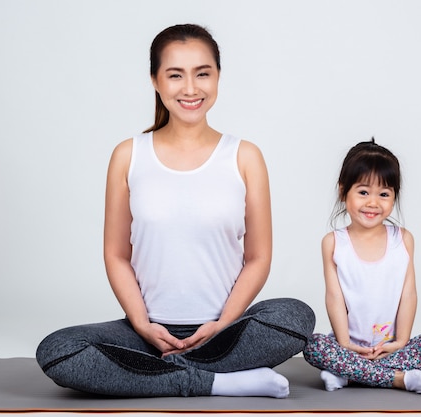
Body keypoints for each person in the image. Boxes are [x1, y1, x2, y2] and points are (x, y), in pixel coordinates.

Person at [36, 23, 315, 398]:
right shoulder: (127, 155)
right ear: (155, 80)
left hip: (225, 334)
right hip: (147, 334)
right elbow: (117, 254)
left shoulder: (245, 156)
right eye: (175, 75)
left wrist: (222, 323)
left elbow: (258, 257)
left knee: (296, 316)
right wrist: (141, 323)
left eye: (203, 73)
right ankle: (216, 381)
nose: (190, 88)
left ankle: (157, 376)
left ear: (218, 76)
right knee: (59, 350)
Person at [303, 139, 421, 395]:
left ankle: (349, 375)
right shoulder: (333, 243)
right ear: (343, 192)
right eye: (363, 192)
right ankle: (397, 378)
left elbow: (408, 293)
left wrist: (402, 341)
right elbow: (334, 296)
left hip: (390, 348)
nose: (373, 203)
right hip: (347, 346)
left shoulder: (403, 239)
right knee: (313, 345)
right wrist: (345, 343)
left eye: (383, 194)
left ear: (394, 197)